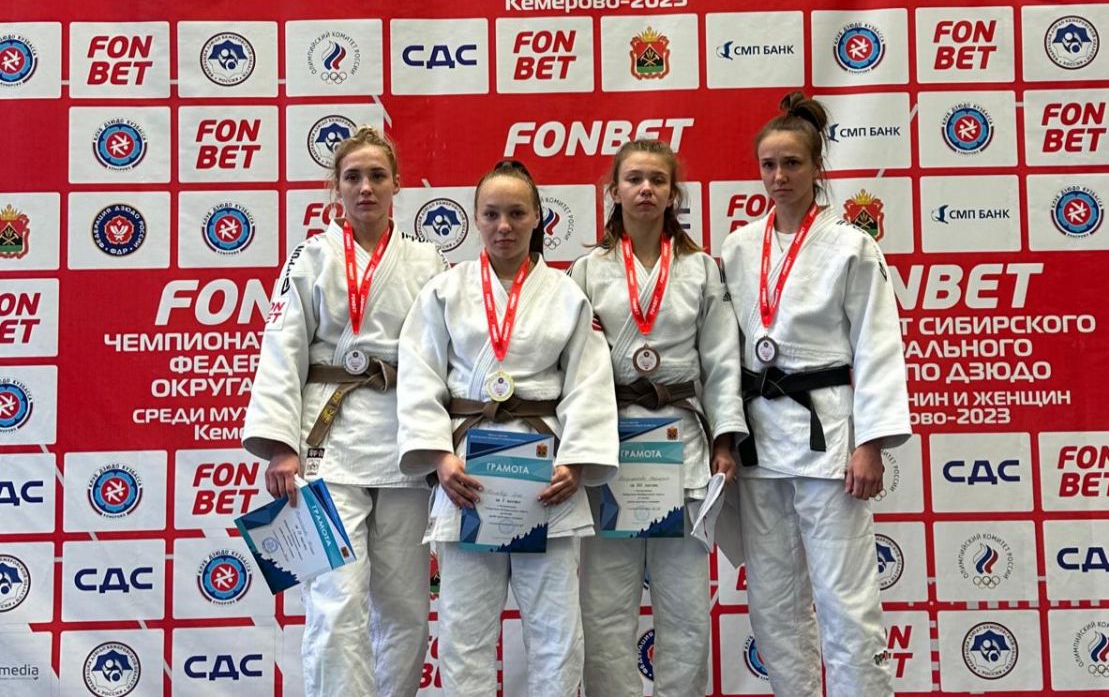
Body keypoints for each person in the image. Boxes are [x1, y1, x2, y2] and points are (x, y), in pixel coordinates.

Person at [394, 160, 618, 697]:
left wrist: (577, 462)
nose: (504, 226)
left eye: (517, 213)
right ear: (475, 218)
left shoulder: (566, 294)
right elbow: (419, 374)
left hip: (547, 474)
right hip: (467, 473)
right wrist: (439, 458)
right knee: (464, 630)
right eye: (491, 214)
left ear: (538, 217)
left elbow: (589, 380)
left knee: (556, 630)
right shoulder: (444, 291)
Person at [242, 126, 445, 697]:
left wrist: (443, 445)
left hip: (405, 442)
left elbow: (447, 355)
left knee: (405, 605)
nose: (365, 187)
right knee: (335, 601)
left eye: (377, 176)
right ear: (335, 187)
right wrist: (281, 446)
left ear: (397, 184)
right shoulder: (309, 258)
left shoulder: (427, 261)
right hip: (326, 445)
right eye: (353, 177)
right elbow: (282, 348)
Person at [720, 91, 911, 697]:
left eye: (792, 164)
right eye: (769, 165)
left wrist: (871, 444)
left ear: (816, 167)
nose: (779, 177)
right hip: (758, 441)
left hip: (828, 439)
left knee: (845, 598)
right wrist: (724, 433)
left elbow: (878, 345)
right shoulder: (738, 247)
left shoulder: (853, 245)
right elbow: (721, 350)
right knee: (773, 599)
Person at [569, 139, 746, 696]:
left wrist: (724, 441)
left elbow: (721, 360)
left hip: (682, 444)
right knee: (604, 606)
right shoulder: (587, 270)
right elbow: (573, 367)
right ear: (614, 191)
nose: (645, 189)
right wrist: (575, 448)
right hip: (610, 447)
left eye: (657, 180)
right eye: (634, 179)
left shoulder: (700, 269)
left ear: (673, 194)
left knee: (686, 605)